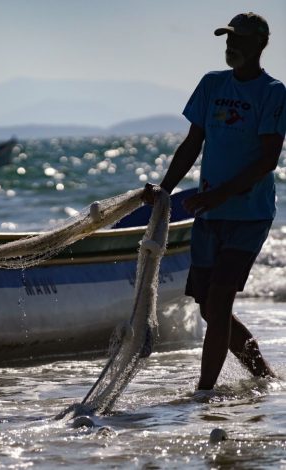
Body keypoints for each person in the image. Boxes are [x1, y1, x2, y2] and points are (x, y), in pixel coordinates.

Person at [143, 12, 285, 393]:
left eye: (238, 40)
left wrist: (221, 194)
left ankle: (203, 393)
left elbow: (269, 158)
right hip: (209, 213)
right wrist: (165, 189)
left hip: (248, 216)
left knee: (220, 300)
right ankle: (265, 376)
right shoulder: (211, 84)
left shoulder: (273, 92)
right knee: (209, 306)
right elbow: (192, 143)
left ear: (260, 45)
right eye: (227, 39)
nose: (230, 46)